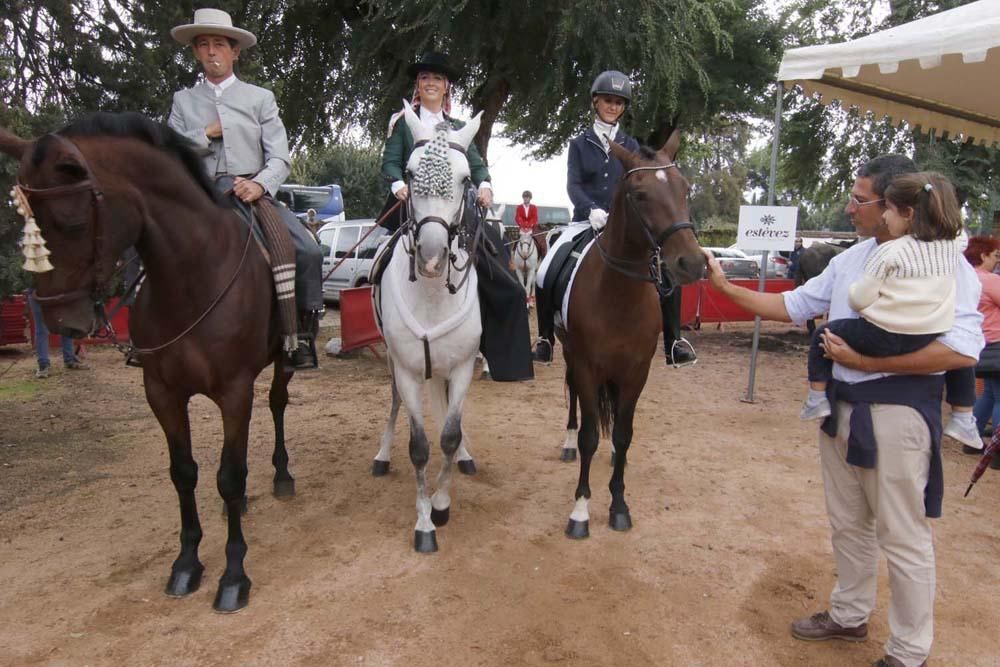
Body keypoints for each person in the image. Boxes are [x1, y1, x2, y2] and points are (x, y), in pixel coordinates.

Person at [703, 154, 982, 667]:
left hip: (898, 417)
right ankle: (851, 615)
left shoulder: (946, 263)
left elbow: (964, 349)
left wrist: (864, 358)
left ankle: (909, 650)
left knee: (903, 534)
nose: (849, 208)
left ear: (896, 206)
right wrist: (723, 287)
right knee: (848, 524)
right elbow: (792, 307)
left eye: (860, 200)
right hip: (841, 408)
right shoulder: (851, 260)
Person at [168, 8, 323, 370]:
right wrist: (206, 134)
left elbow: (280, 158)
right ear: (195, 52)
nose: (211, 52)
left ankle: (298, 335)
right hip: (199, 194)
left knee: (307, 251)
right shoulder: (183, 101)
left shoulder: (260, 98)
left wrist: (258, 184)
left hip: (250, 193)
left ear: (235, 51)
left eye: (219, 44)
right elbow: (169, 150)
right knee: (147, 246)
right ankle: (150, 340)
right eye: (203, 45)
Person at [377, 51, 533, 382]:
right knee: (380, 259)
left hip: (455, 211)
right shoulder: (402, 121)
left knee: (504, 279)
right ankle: (387, 325)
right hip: (411, 205)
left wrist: (485, 185)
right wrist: (397, 184)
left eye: (437, 79)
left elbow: (476, 165)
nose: (430, 83)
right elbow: (390, 161)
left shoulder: (460, 128)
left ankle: (495, 352)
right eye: (424, 78)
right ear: (418, 85)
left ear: (446, 87)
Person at [533, 70, 695, 367]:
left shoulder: (632, 145)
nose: (613, 107)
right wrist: (591, 208)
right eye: (608, 100)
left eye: (619, 103)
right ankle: (545, 338)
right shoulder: (579, 144)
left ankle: (674, 342)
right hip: (586, 221)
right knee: (545, 270)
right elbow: (574, 184)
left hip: (624, 226)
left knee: (667, 272)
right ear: (596, 102)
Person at [800, 172, 964, 422]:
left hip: (884, 334)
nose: (885, 217)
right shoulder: (952, 247)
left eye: (888, 209)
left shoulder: (889, 251)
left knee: (823, 334)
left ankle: (816, 397)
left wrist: (855, 293)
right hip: (928, 333)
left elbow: (859, 299)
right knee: (964, 363)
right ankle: (964, 415)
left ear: (908, 214)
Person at [965, 235, 1000, 453]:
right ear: (983, 255)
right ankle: (997, 451)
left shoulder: (966, 278)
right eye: (995, 255)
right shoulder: (990, 280)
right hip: (997, 342)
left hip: (980, 343)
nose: (996, 260)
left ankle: (971, 440)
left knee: (989, 393)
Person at [27, 288, 88, 378]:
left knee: (62, 326)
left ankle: (48, 364)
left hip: (48, 293)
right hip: (48, 293)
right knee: (46, 329)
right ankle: (48, 364)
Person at [514, 190, 546, 256]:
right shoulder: (519, 207)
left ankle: (543, 255)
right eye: (524, 197)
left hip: (533, 228)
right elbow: (518, 217)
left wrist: (529, 226)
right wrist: (523, 226)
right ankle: (513, 254)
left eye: (527, 197)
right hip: (522, 228)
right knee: (515, 242)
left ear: (530, 198)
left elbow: (535, 218)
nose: (526, 198)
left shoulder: (534, 207)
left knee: (541, 241)